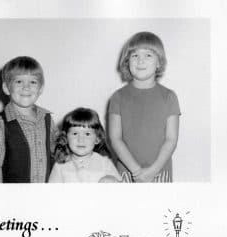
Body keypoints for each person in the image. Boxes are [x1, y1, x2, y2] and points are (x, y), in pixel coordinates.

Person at [108, 32, 181, 182]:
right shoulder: (117, 97)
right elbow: (115, 138)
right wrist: (136, 171)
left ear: (159, 62)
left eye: (148, 55)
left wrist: (152, 171)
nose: (140, 60)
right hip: (126, 173)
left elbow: (171, 139)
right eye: (134, 55)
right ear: (127, 61)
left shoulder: (169, 97)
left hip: (160, 172)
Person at [0, 56, 57, 183]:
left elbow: (58, 155)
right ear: (6, 88)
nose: (26, 87)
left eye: (33, 82)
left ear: (41, 88)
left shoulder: (47, 119)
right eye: (19, 81)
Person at [48, 107, 121, 183]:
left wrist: (113, 180)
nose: (81, 139)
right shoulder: (60, 165)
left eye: (87, 134)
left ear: (97, 138)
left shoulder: (105, 163)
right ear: (65, 137)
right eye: (75, 133)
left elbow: (122, 189)